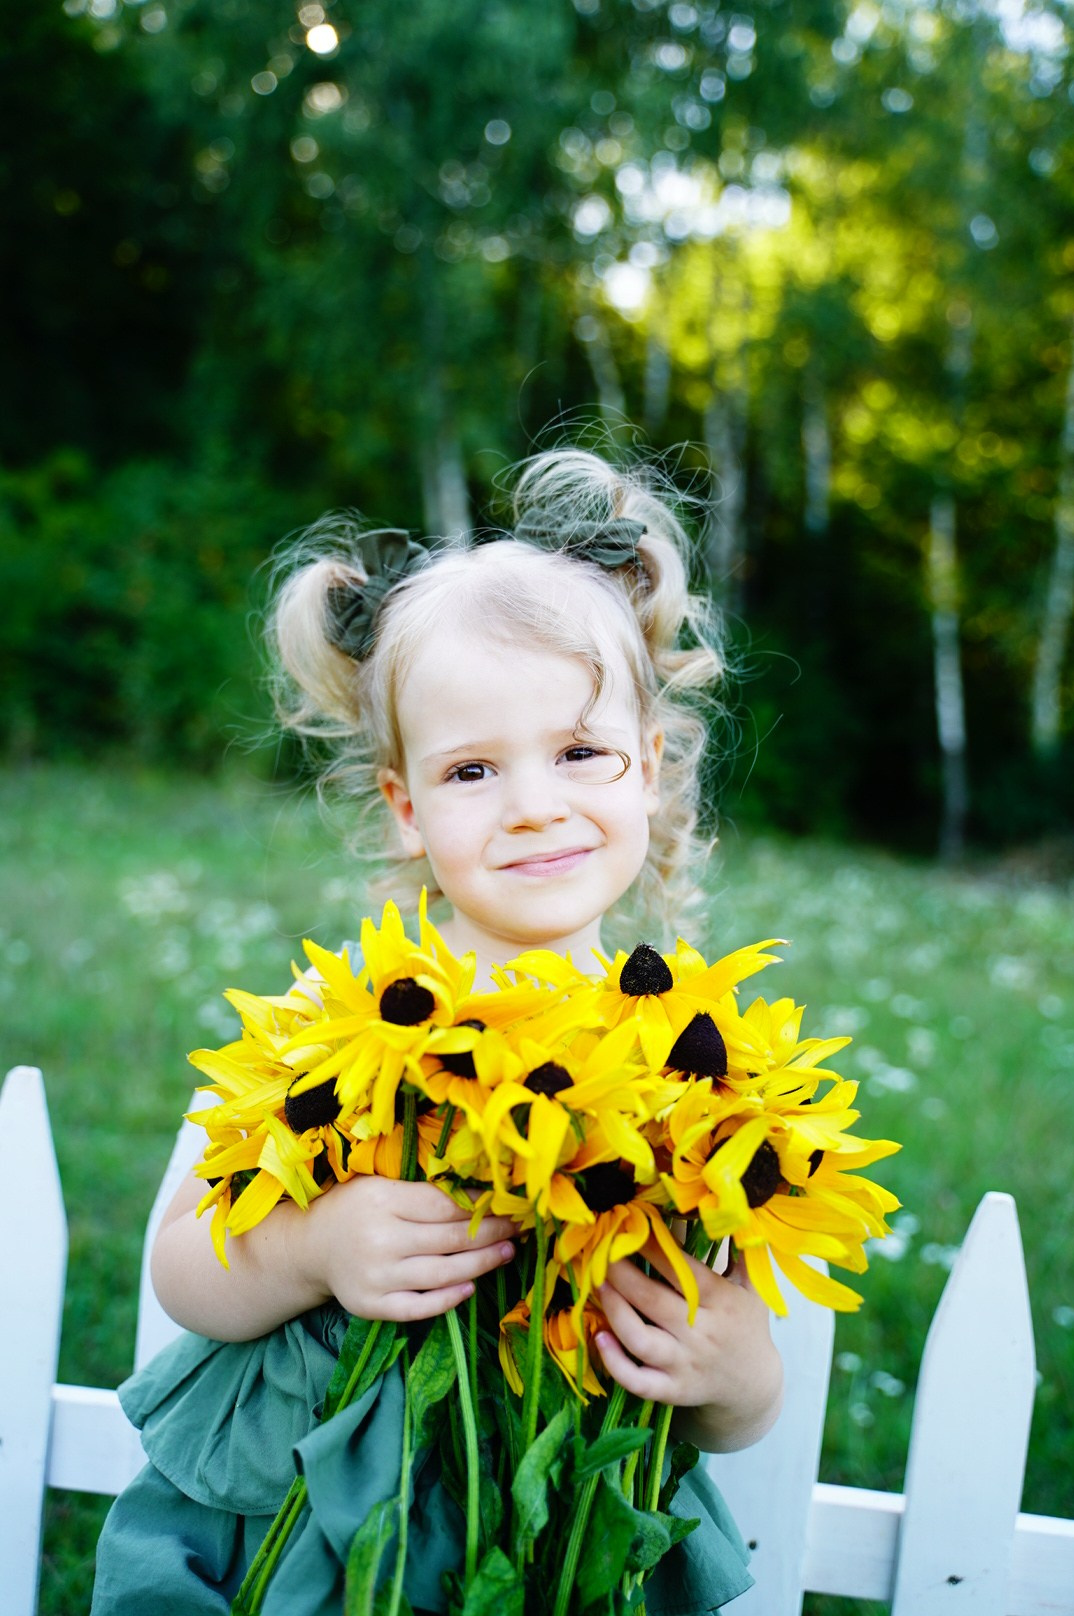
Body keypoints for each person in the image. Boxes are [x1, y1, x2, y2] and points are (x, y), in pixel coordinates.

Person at [91, 447, 783, 1615]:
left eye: (579, 751)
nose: (533, 804)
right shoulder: (340, 1022)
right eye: (472, 769)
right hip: (315, 1529)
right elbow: (184, 1272)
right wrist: (312, 1248)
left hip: (558, 1534)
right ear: (408, 806)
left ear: (651, 769)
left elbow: (737, 1367)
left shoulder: (695, 1068)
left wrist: (736, 1375)